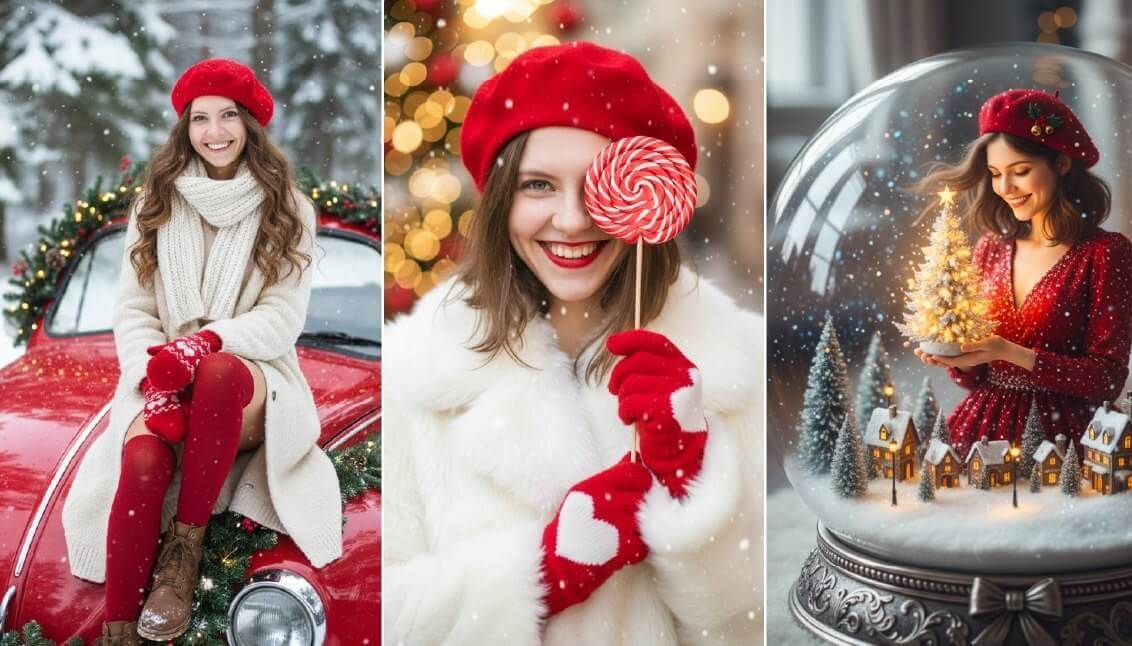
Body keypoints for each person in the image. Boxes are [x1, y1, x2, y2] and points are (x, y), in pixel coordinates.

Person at [384, 42, 763, 645]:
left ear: (645, 197)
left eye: (596, 186)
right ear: (501, 200)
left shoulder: (737, 361)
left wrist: (696, 491)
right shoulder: (411, 372)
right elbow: (383, 612)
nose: (570, 220)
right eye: (538, 185)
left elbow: (756, 626)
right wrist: (545, 567)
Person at [61, 59, 342, 645]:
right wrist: (155, 378)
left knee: (216, 372)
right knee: (138, 463)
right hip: (161, 373)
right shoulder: (157, 202)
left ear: (252, 124)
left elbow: (282, 319)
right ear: (184, 127)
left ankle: (182, 556)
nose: (215, 132)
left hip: (252, 376)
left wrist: (206, 340)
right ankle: (119, 632)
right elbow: (134, 310)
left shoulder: (288, 207)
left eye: (229, 116)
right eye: (201, 119)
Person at [914, 88, 1132, 455]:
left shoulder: (1106, 253)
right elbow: (975, 380)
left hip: (1064, 435)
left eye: (1020, 171)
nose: (1005, 188)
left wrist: (1010, 352)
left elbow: (1107, 379)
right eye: (995, 173)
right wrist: (959, 359)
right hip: (982, 429)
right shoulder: (991, 247)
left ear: (1062, 163)